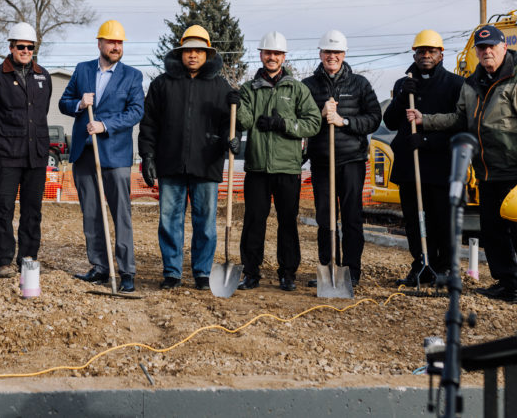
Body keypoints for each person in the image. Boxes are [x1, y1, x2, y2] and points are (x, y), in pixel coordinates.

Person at [410, 24, 517, 306]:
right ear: (476, 51)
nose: (487, 52)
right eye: (482, 48)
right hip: (486, 171)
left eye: (491, 47)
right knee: (493, 230)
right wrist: (425, 119)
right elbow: (459, 119)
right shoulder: (472, 84)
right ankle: (506, 283)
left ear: (503, 46)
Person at [138, 25, 233, 290]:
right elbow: (149, 124)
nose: (193, 55)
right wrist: (147, 156)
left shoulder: (220, 86)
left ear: (207, 54)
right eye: (188, 50)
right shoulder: (162, 84)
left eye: (199, 51)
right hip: (171, 163)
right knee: (170, 220)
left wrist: (230, 138)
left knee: (205, 223)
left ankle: (202, 272)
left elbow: (231, 124)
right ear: (180, 53)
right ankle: (172, 271)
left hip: (207, 163)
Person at [58, 20, 145, 292]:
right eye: (111, 42)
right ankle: (99, 266)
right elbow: (64, 102)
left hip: (115, 155)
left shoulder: (132, 76)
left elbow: (135, 112)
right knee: (92, 214)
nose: (116, 46)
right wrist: (79, 104)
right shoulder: (83, 70)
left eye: (119, 43)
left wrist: (105, 126)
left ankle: (126, 271)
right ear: (100, 44)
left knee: (121, 214)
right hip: (85, 154)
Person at [236, 31, 321, 291]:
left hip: (287, 167)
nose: (271, 57)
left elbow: (314, 122)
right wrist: (235, 106)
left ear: (283, 57)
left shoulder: (297, 89)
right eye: (267, 53)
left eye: (276, 53)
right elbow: (245, 121)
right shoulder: (249, 89)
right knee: (253, 221)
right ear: (261, 55)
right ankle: (250, 272)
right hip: (258, 167)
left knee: (287, 221)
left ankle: (288, 273)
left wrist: (284, 124)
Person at [382, 30, 463, 286]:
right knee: (415, 220)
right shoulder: (403, 83)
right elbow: (391, 121)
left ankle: (443, 268)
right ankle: (420, 265)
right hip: (410, 165)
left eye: (431, 51)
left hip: (441, 165)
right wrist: (401, 97)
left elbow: (461, 125)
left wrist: (427, 139)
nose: (426, 55)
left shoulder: (455, 84)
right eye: (421, 51)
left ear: (441, 54)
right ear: (414, 54)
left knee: (441, 220)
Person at [302, 30, 381, 289]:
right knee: (325, 218)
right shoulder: (308, 86)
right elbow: (302, 120)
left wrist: (344, 121)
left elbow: (374, 118)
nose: (331, 56)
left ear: (344, 55)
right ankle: (327, 267)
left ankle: (351, 271)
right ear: (320, 54)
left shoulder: (359, 84)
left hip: (351, 160)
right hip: (323, 161)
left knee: (351, 217)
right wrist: (319, 112)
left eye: (336, 52)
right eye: (327, 52)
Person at [0, 22, 52, 277]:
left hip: (37, 156)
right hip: (8, 155)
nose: (25, 51)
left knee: (33, 210)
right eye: (20, 46)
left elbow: (40, 113)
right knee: (5, 209)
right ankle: (2, 261)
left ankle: (28, 258)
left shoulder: (43, 76)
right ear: (11, 47)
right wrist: (1, 140)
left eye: (30, 47)